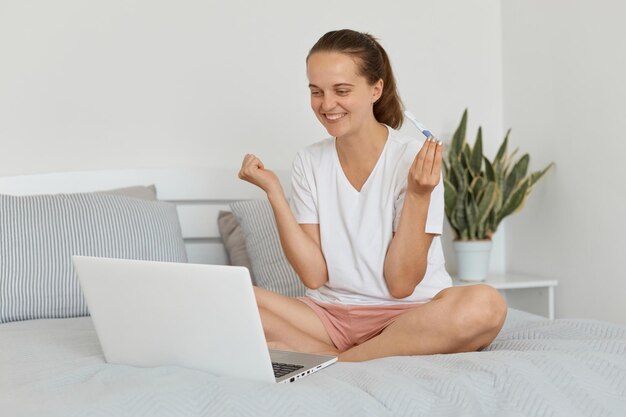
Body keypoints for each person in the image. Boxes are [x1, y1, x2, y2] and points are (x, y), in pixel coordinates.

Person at [238, 29, 507, 362]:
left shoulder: (413, 158)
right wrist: (274, 192)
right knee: (228, 299)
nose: (327, 104)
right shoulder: (309, 161)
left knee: (486, 305)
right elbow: (313, 275)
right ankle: (353, 352)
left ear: (375, 89)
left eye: (341, 90)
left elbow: (401, 284)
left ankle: (339, 359)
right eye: (316, 92)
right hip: (327, 317)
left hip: (408, 316)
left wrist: (419, 194)